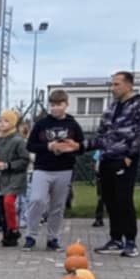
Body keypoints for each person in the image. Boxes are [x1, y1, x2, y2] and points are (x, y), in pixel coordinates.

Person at [93, 71, 140, 256]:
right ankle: (115, 238)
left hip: (124, 160)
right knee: (109, 199)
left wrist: (130, 155)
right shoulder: (112, 107)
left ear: (129, 85)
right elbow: (102, 133)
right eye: (112, 84)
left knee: (123, 200)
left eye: (117, 84)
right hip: (107, 159)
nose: (113, 88)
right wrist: (99, 155)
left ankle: (130, 241)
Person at [22, 90, 85, 249]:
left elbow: (81, 146)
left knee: (57, 205)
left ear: (66, 105)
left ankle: (53, 238)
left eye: (59, 105)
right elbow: (30, 145)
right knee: (37, 200)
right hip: (42, 168)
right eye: (53, 105)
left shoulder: (73, 125)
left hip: (64, 169)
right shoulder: (42, 124)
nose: (56, 108)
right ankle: (31, 234)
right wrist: (48, 146)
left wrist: (70, 148)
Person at [0, 109, 29, 247]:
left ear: (12, 123)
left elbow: (24, 160)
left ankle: (12, 229)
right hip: (4, 178)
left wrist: (7, 165)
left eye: (5, 121)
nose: (1, 123)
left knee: (8, 202)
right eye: (0, 120)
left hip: (16, 177)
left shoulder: (18, 141)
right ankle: (10, 230)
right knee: (5, 205)